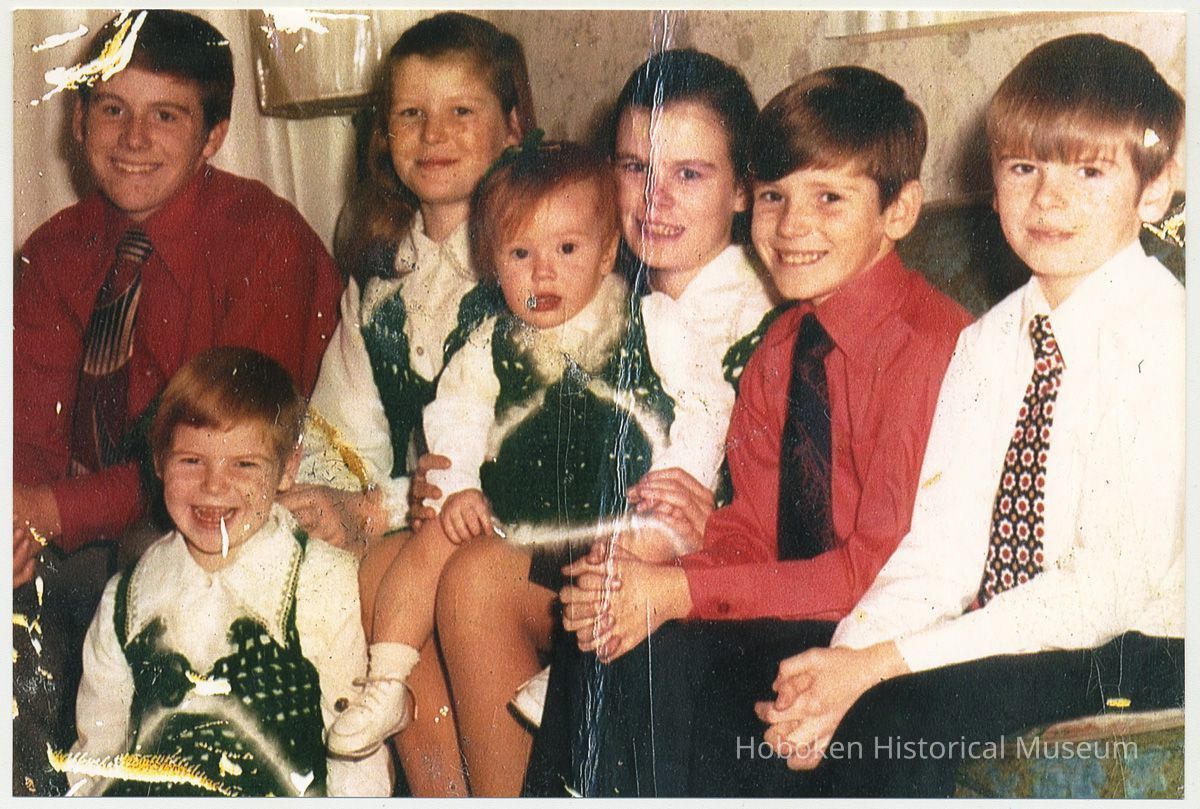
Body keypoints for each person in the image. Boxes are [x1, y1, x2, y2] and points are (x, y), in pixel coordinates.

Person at [756, 34, 1184, 798]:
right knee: (826, 697)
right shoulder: (988, 341)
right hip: (1019, 636)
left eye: (1088, 171)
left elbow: (1103, 590)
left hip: (1141, 642)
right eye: (1024, 168)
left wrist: (882, 667)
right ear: (994, 179)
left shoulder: (1169, 335)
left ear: (1155, 189)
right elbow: (941, 552)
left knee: (906, 711)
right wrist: (842, 662)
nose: (1048, 200)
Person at [529, 65, 972, 796]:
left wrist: (677, 595)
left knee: (662, 650)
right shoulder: (779, 350)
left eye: (829, 198)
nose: (793, 226)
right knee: (613, 633)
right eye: (774, 197)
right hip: (805, 609)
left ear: (899, 211)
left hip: (901, 631)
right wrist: (646, 581)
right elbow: (747, 534)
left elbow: (875, 569)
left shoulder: (930, 347)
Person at [327, 140, 734, 782]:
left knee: (633, 548)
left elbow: (708, 398)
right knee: (428, 541)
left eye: (566, 251)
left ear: (605, 253)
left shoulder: (649, 319)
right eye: (521, 255)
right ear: (494, 264)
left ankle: (571, 676)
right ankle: (385, 676)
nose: (543, 274)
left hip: (624, 518)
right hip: (526, 525)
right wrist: (456, 487)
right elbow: (454, 417)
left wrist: (680, 473)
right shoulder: (491, 341)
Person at [430, 49, 778, 796]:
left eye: (690, 174)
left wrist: (714, 513)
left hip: (692, 584)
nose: (655, 199)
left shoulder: (758, 318)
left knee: (474, 582)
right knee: (420, 571)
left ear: (745, 190)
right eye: (633, 167)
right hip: (582, 539)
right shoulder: (596, 293)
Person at [11, 10, 341, 793]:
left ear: (214, 135)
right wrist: (18, 519)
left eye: (166, 115)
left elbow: (220, 454)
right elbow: (27, 426)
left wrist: (48, 512)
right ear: (78, 116)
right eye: (112, 109)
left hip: (218, 508)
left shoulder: (264, 239)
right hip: (80, 521)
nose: (132, 138)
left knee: (145, 576)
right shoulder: (56, 247)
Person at [277, 12, 534, 795]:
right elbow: (338, 431)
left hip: (513, 520)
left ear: (512, 129)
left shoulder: (536, 264)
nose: (434, 133)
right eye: (410, 114)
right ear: (383, 137)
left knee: (421, 569)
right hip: (414, 528)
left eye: (462, 111)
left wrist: (381, 505)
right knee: (361, 566)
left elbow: (515, 441)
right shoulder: (380, 281)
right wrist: (332, 496)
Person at [67, 348, 388, 797]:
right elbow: (95, 758)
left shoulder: (320, 581)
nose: (214, 485)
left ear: (286, 470)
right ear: (159, 460)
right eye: (191, 461)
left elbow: (355, 746)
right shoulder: (127, 599)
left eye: (244, 464)